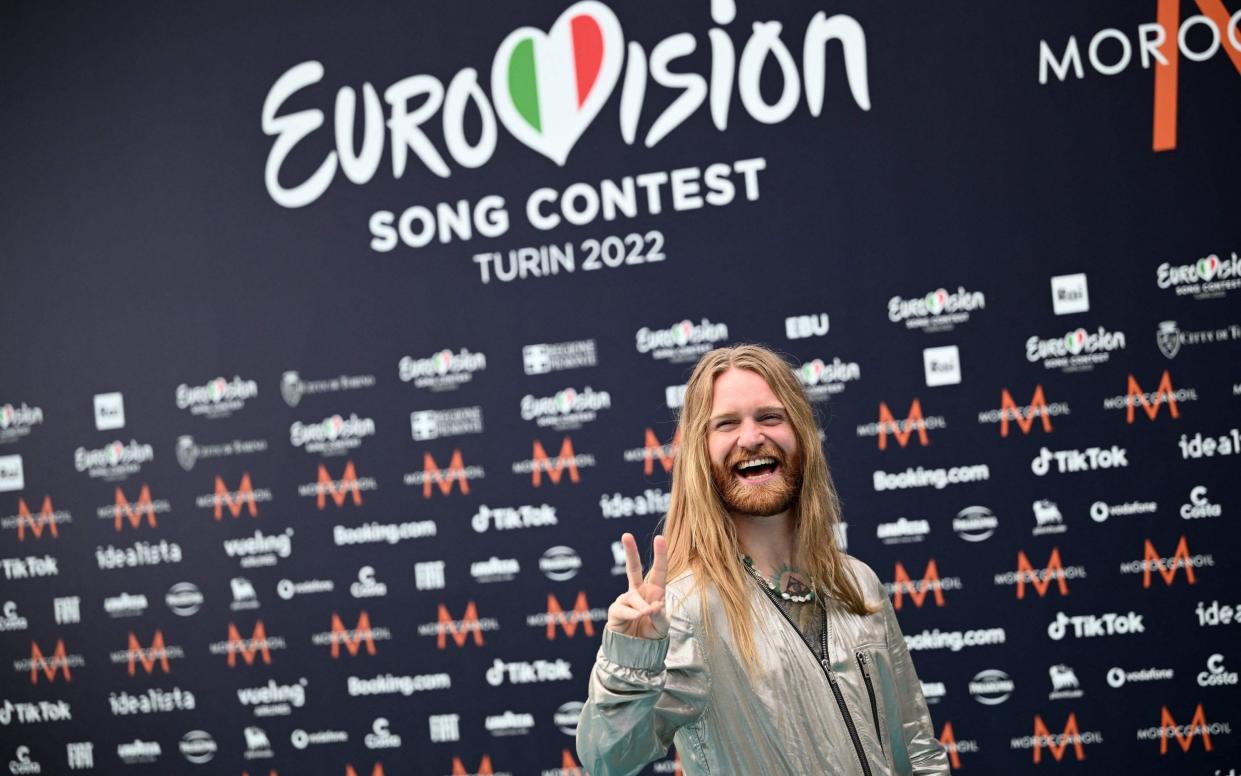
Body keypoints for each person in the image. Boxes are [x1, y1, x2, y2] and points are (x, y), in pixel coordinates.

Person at [577, 344, 948, 775]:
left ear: (801, 434)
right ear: (702, 451)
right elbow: (608, 758)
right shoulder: (685, 610)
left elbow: (918, 748)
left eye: (770, 417)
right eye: (727, 424)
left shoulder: (859, 584)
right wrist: (632, 659)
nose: (751, 438)